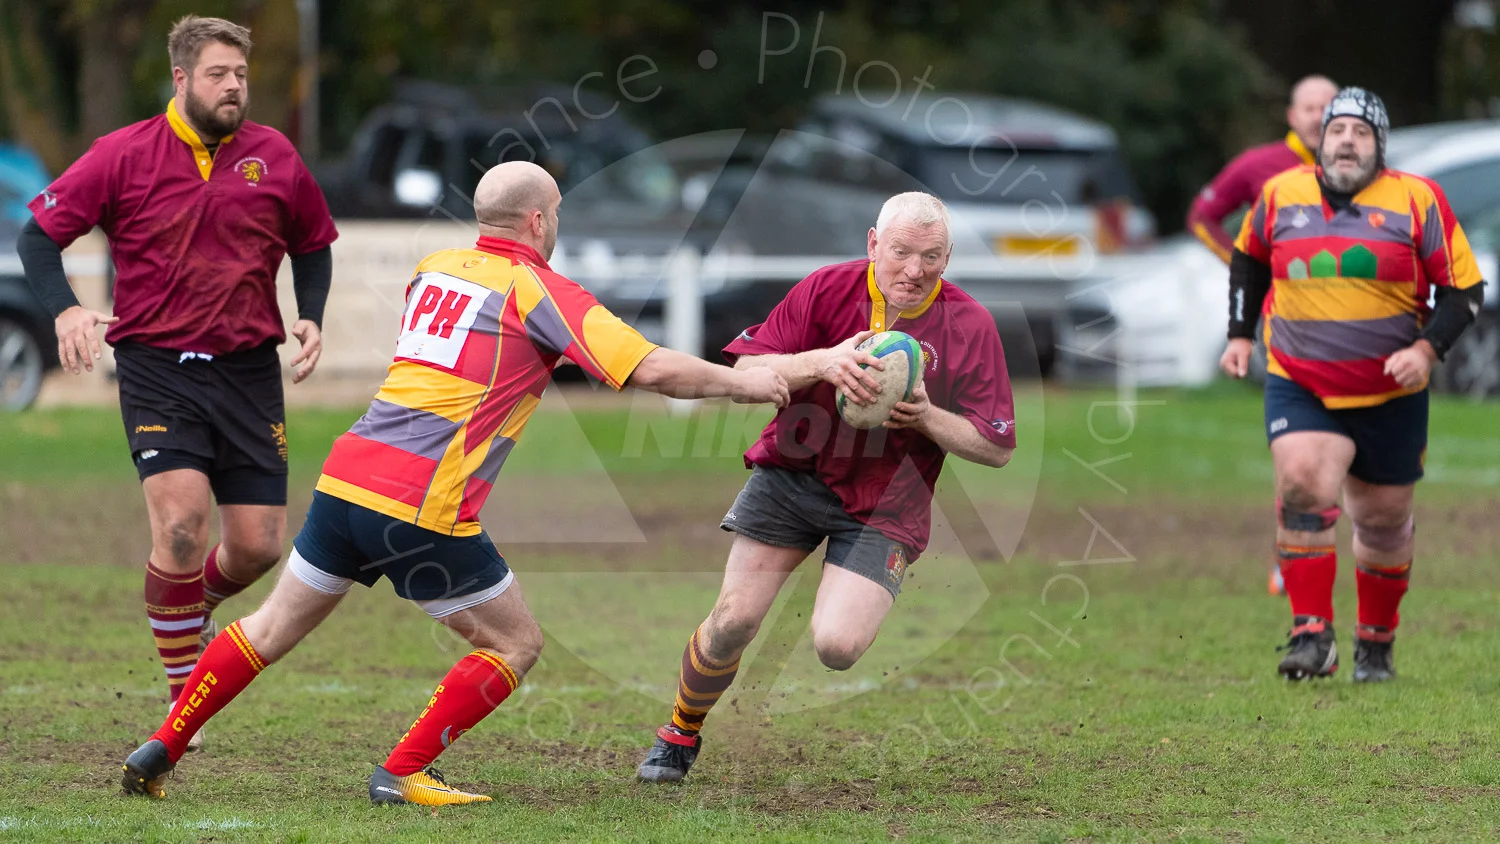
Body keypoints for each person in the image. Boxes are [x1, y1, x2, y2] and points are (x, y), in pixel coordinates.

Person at [118, 161, 791, 805]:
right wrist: (744, 381)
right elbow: (647, 367)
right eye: (555, 214)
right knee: (515, 643)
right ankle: (404, 771)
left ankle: (160, 748)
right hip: (421, 500)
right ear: (536, 220)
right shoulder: (540, 290)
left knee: (268, 628)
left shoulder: (434, 270)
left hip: (349, 477)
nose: (555, 224)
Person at [16, 16, 337, 751]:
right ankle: (181, 697)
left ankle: (181, 607)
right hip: (158, 366)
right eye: (221, 75)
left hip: (250, 371)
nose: (235, 88)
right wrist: (65, 308)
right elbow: (39, 237)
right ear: (182, 79)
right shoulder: (121, 154)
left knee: (257, 546)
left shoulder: (273, 155)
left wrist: (310, 316)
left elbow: (312, 244)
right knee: (184, 525)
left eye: (243, 76)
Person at [636, 192, 1017, 783]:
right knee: (734, 620)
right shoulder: (825, 289)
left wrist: (926, 418)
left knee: (838, 647)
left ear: (949, 257)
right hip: (794, 475)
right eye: (901, 253)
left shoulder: (969, 324)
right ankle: (679, 733)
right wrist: (824, 362)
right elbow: (744, 371)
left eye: (932, 256)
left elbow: (996, 446)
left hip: (888, 503)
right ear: (873, 244)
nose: (915, 270)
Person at [1219, 87, 1485, 683]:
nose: (1346, 140)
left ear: (1379, 146)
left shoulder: (1418, 199)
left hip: (1390, 391)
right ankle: (1311, 634)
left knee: (1384, 518)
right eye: (1337, 129)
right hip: (1301, 380)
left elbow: (1465, 291)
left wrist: (1426, 350)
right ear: (1321, 140)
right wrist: (1240, 334)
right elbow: (1249, 259)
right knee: (1301, 482)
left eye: (1361, 133)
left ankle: (1376, 643)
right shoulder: (1279, 195)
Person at [1189, 74, 1337, 597]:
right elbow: (1203, 216)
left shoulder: (1357, 169)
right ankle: (1290, 551)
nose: (1320, 116)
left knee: (1352, 440)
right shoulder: (1259, 166)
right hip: (1286, 322)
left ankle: (1346, 539)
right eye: (1310, 107)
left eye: (1329, 107)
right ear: (1291, 115)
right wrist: (1248, 267)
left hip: (1354, 327)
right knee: (1300, 444)